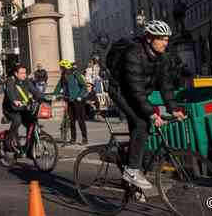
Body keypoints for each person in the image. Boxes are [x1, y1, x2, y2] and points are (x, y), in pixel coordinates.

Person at [107, 20, 185, 190]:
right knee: (142, 122)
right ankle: (132, 170)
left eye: (166, 39)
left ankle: (129, 179)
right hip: (121, 91)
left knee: (140, 130)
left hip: (140, 93)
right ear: (149, 39)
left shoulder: (163, 56)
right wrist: (151, 113)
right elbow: (135, 90)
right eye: (161, 39)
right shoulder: (133, 54)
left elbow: (166, 85)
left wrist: (174, 109)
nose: (165, 42)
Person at [2, 65, 44, 152]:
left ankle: (28, 149)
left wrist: (43, 98)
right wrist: (14, 100)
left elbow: (35, 91)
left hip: (23, 107)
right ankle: (8, 141)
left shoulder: (26, 81)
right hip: (10, 108)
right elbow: (10, 92)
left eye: (25, 73)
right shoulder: (10, 81)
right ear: (16, 74)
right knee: (17, 120)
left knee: (32, 123)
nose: (24, 75)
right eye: (22, 73)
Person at [56, 60, 88, 145]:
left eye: (61, 67)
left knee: (80, 120)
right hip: (69, 100)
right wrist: (55, 94)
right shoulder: (63, 75)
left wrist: (80, 96)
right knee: (72, 120)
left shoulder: (75, 74)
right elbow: (59, 86)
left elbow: (84, 86)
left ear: (65, 67)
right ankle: (73, 138)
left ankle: (85, 138)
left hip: (77, 100)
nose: (60, 69)